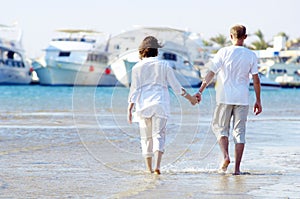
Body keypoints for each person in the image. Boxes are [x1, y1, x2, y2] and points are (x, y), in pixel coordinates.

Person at [195, 25, 262, 175]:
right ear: (245, 37)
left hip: (224, 97)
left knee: (220, 128)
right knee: (239, 132)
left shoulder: (223, 52)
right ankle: (237, 170)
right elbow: (256, 80)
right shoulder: (251, 55)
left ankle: (225, 156)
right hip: (243, 98)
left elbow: (211, 73)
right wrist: (258, 100)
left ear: (231, 36)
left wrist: (200, 91)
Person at [128, 36, 198, 175]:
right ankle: (157, 167)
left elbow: (134, 90)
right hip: (160, 104)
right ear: (156, 50)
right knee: (159, 136)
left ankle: (148, 169)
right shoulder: (164, 65)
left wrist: (130, 109)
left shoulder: (137, 67)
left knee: (146, 139)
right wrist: (191, 99)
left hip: (143, 106)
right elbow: (177, 88)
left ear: (142, 51)